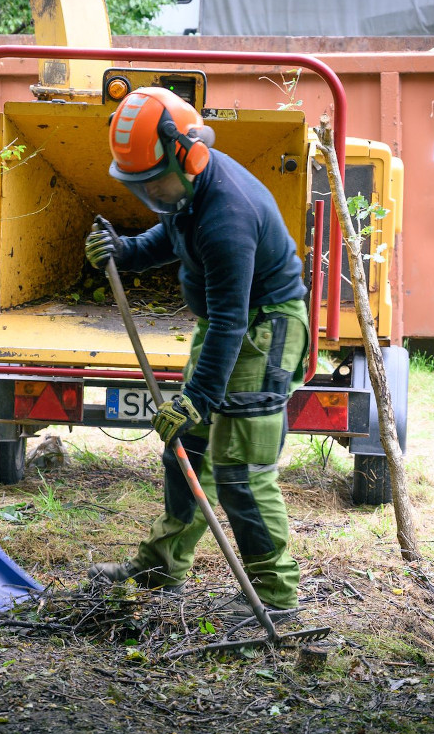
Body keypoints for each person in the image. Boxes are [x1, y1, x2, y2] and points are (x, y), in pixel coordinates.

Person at [84, 87, 310, 616]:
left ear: (189, 155)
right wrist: (126, 250)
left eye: (155, 182)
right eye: (141, 186)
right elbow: (173, 235)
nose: (152, 195)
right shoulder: (188, 192)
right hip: (226, 325)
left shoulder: (227, 214)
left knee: (240, 471)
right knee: (185, 446)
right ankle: (164, 568)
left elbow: (233, 320)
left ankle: (275, 598)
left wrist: (199, 396)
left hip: (266, 329)